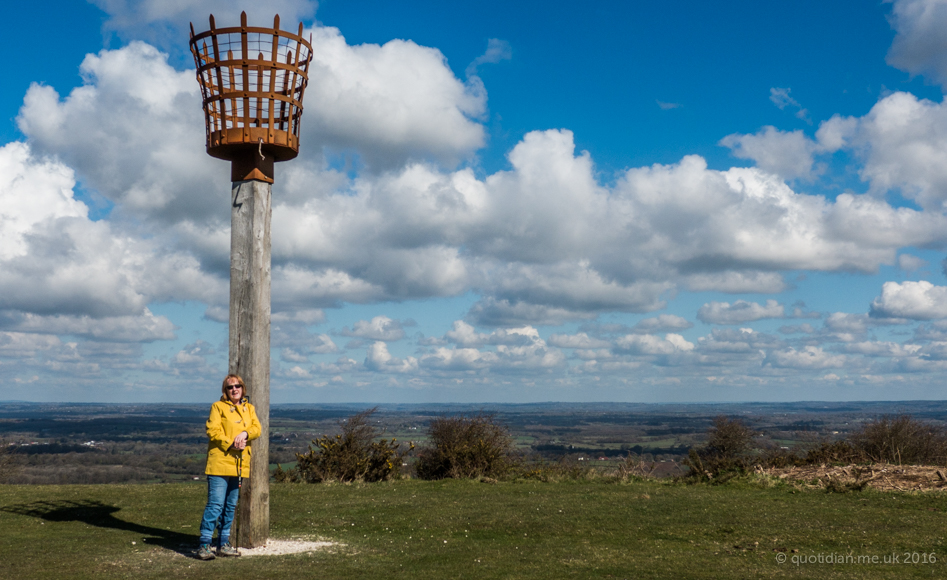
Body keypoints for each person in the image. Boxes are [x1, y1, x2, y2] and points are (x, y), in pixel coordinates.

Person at [197, 374, 261, 560]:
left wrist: (245, 433)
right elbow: (213, 430)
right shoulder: (218, 407)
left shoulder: (250, 408)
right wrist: (231, 443)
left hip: (240, 464)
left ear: (243, 388)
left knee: (230, 505)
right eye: (230, 387)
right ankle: (204, 544)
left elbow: (257, 428)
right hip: (220, 462)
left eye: (237, 386)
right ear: (225, 391)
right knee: (215, 504)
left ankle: (223, 543)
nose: (234, 389)